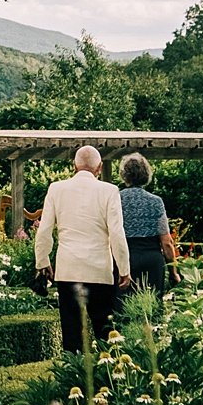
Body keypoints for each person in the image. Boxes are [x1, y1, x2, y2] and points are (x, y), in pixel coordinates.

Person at [32, 145, 134, 355]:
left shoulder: (56, 189)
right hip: (99, 272)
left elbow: (44, 231)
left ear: (74, 166)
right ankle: (108, 380)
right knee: (106, 334)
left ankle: (73, 381)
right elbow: (116, 233)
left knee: (72, 335)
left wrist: (43, 262)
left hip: (68, 270)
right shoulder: (109, 191)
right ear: (99, 167)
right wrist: (124, 269)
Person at [116, 153, 173, 298]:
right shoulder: (156, 202)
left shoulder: (115, 199)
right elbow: (166, 242)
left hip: (125, 260)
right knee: (152, 309)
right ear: (146, 174)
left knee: (124, 308)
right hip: (152, 260)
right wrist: (174, 272)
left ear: (124, 175)